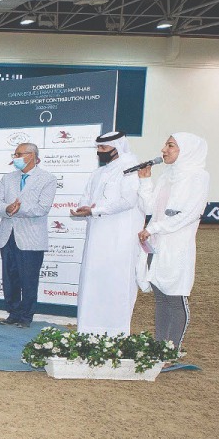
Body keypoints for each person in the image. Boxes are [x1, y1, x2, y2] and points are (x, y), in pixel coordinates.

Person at [136, 132, 209, 352]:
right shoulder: (167, 175)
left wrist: (154, 228)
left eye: (171, 145)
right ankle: (160, 347)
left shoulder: (198, 176)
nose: (163, 150)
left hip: (177, 246)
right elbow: (149, 208)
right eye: (166, 144)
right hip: (157, 245)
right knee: (160, 297)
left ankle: (172, 349)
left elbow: (188, 214)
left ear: (186, 150)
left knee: (175, 297)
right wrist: (145, 180)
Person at [71, 131, 143, 336]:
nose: (99, 152)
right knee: (93, 283)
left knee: (116, 284)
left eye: (103, 148)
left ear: (117, 148)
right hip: (96, 239)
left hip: (120, 240)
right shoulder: (99, 173)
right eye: (98, 148)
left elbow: (128, 200)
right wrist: (83, 208)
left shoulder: (130, 169)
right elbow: (86, 197)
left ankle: (115, 333)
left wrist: (95, 210)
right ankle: (88, 332)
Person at [0, 143, 57, 328]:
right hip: (7, 235)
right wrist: (7, 208)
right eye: (15, 154)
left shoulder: (47, 179)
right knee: (10, 277)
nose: (16, 157)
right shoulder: (8, 178)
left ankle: (26, 317)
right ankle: (13, 313)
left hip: (31, 238)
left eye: (19, 154)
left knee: (28, 278)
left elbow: (42, 208)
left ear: (32, 156)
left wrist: (19, 209)